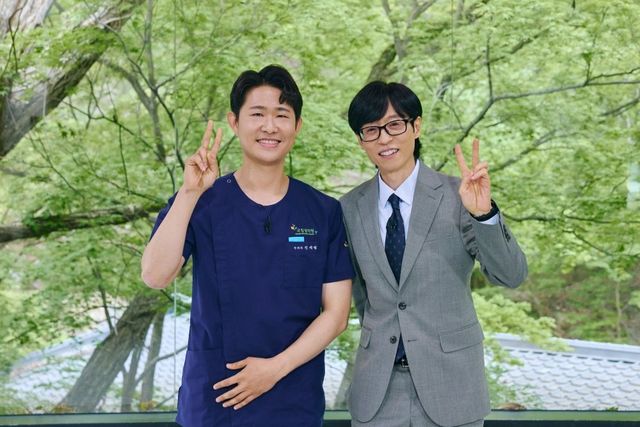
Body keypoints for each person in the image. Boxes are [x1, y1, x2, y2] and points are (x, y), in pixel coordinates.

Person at [141, 65, 353, 427]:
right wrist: (190, 193)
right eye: (257, 114)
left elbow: (336, 315)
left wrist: (273, 370)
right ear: (234, 122)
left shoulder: (322, 211)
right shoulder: (202, 201)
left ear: (297, 126)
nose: (270, 126)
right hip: (214, 404)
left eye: (281, 115)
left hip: (293, 404)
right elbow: (155, 275)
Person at [340, 81, 528, 427]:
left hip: (452, 386)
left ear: (416, 126)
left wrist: (483, 215)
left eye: (395, 125)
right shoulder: (349, 208)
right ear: (360, 140)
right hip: (378, 392)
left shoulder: (460, 197)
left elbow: (511, 275)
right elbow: (363, 297)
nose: (384, 138)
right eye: (371, 130)